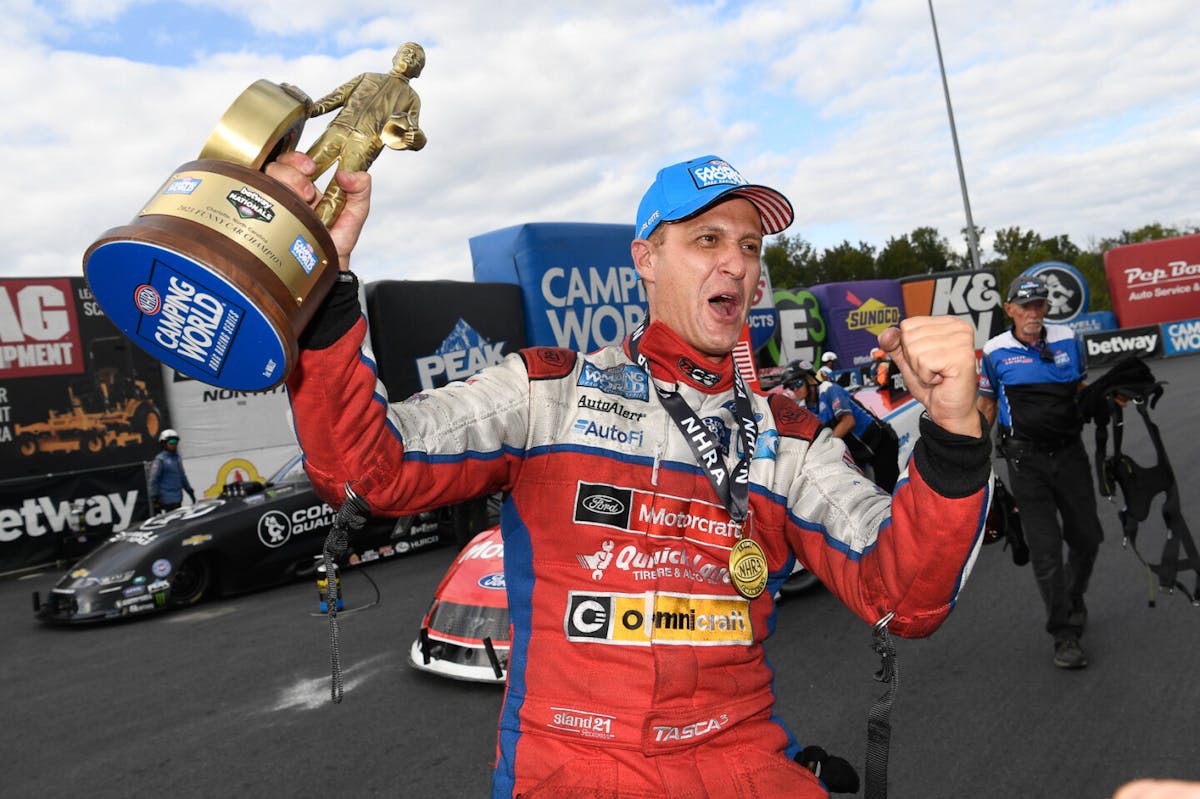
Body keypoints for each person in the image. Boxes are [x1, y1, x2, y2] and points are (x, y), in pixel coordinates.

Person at [267, 151, 991, 798]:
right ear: (645, 258)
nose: (736, 263)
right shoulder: (546, 391)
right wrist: (323, 293)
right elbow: (366, 471)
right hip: (574, 766)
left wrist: (955, 433)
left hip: (739, 758)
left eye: (749, 246)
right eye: (707, 240)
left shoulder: (787, 436)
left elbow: (905, 598)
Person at [978, 275, 1103, 670]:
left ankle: (1072, 596)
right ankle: (1063, 635)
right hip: (1025, 462)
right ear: (1010, 309)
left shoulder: (1069, 339)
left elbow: (1081, 389)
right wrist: (972, 453)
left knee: (1088, 539)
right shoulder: (995, 351)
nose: (1033, 312)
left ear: (1046, 308)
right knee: (1046, 551)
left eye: (1039, 305)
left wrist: (1108, 399)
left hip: (1070, 455)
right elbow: (987, 405)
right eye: (1025, 305)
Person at [302, 42, 427, 225]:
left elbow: (413, 130)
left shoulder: (412, 98)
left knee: (339, 192)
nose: (410, 57)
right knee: (303, 170)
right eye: (407, 52)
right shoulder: (367, 77)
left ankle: (314, 232)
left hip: (365, 144)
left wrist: (417, 139)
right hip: (338, 129)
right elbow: (336, 97)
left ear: (418, 72)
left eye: (417, 59)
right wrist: (309, 109)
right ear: (395, 57)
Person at [784, 363, 901, 492]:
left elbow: (848, 422)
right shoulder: (804, 408)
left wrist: (824, 445)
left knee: (889, 493)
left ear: (810, 379)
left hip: (880, 442)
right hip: (859, 454)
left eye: (798, 383)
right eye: (791, 387)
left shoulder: (828, 389)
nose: (795, 389)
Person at [148, 428, 195, 514]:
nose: (174, 444)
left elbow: (182, 477)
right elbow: (153, 480)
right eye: (171, 442)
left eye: (176, 442)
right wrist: (154, 498)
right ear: (164, 443)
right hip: (166, 500)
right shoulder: (160, 460)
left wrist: (190, 491)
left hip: (178, 498)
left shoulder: (177, 458)